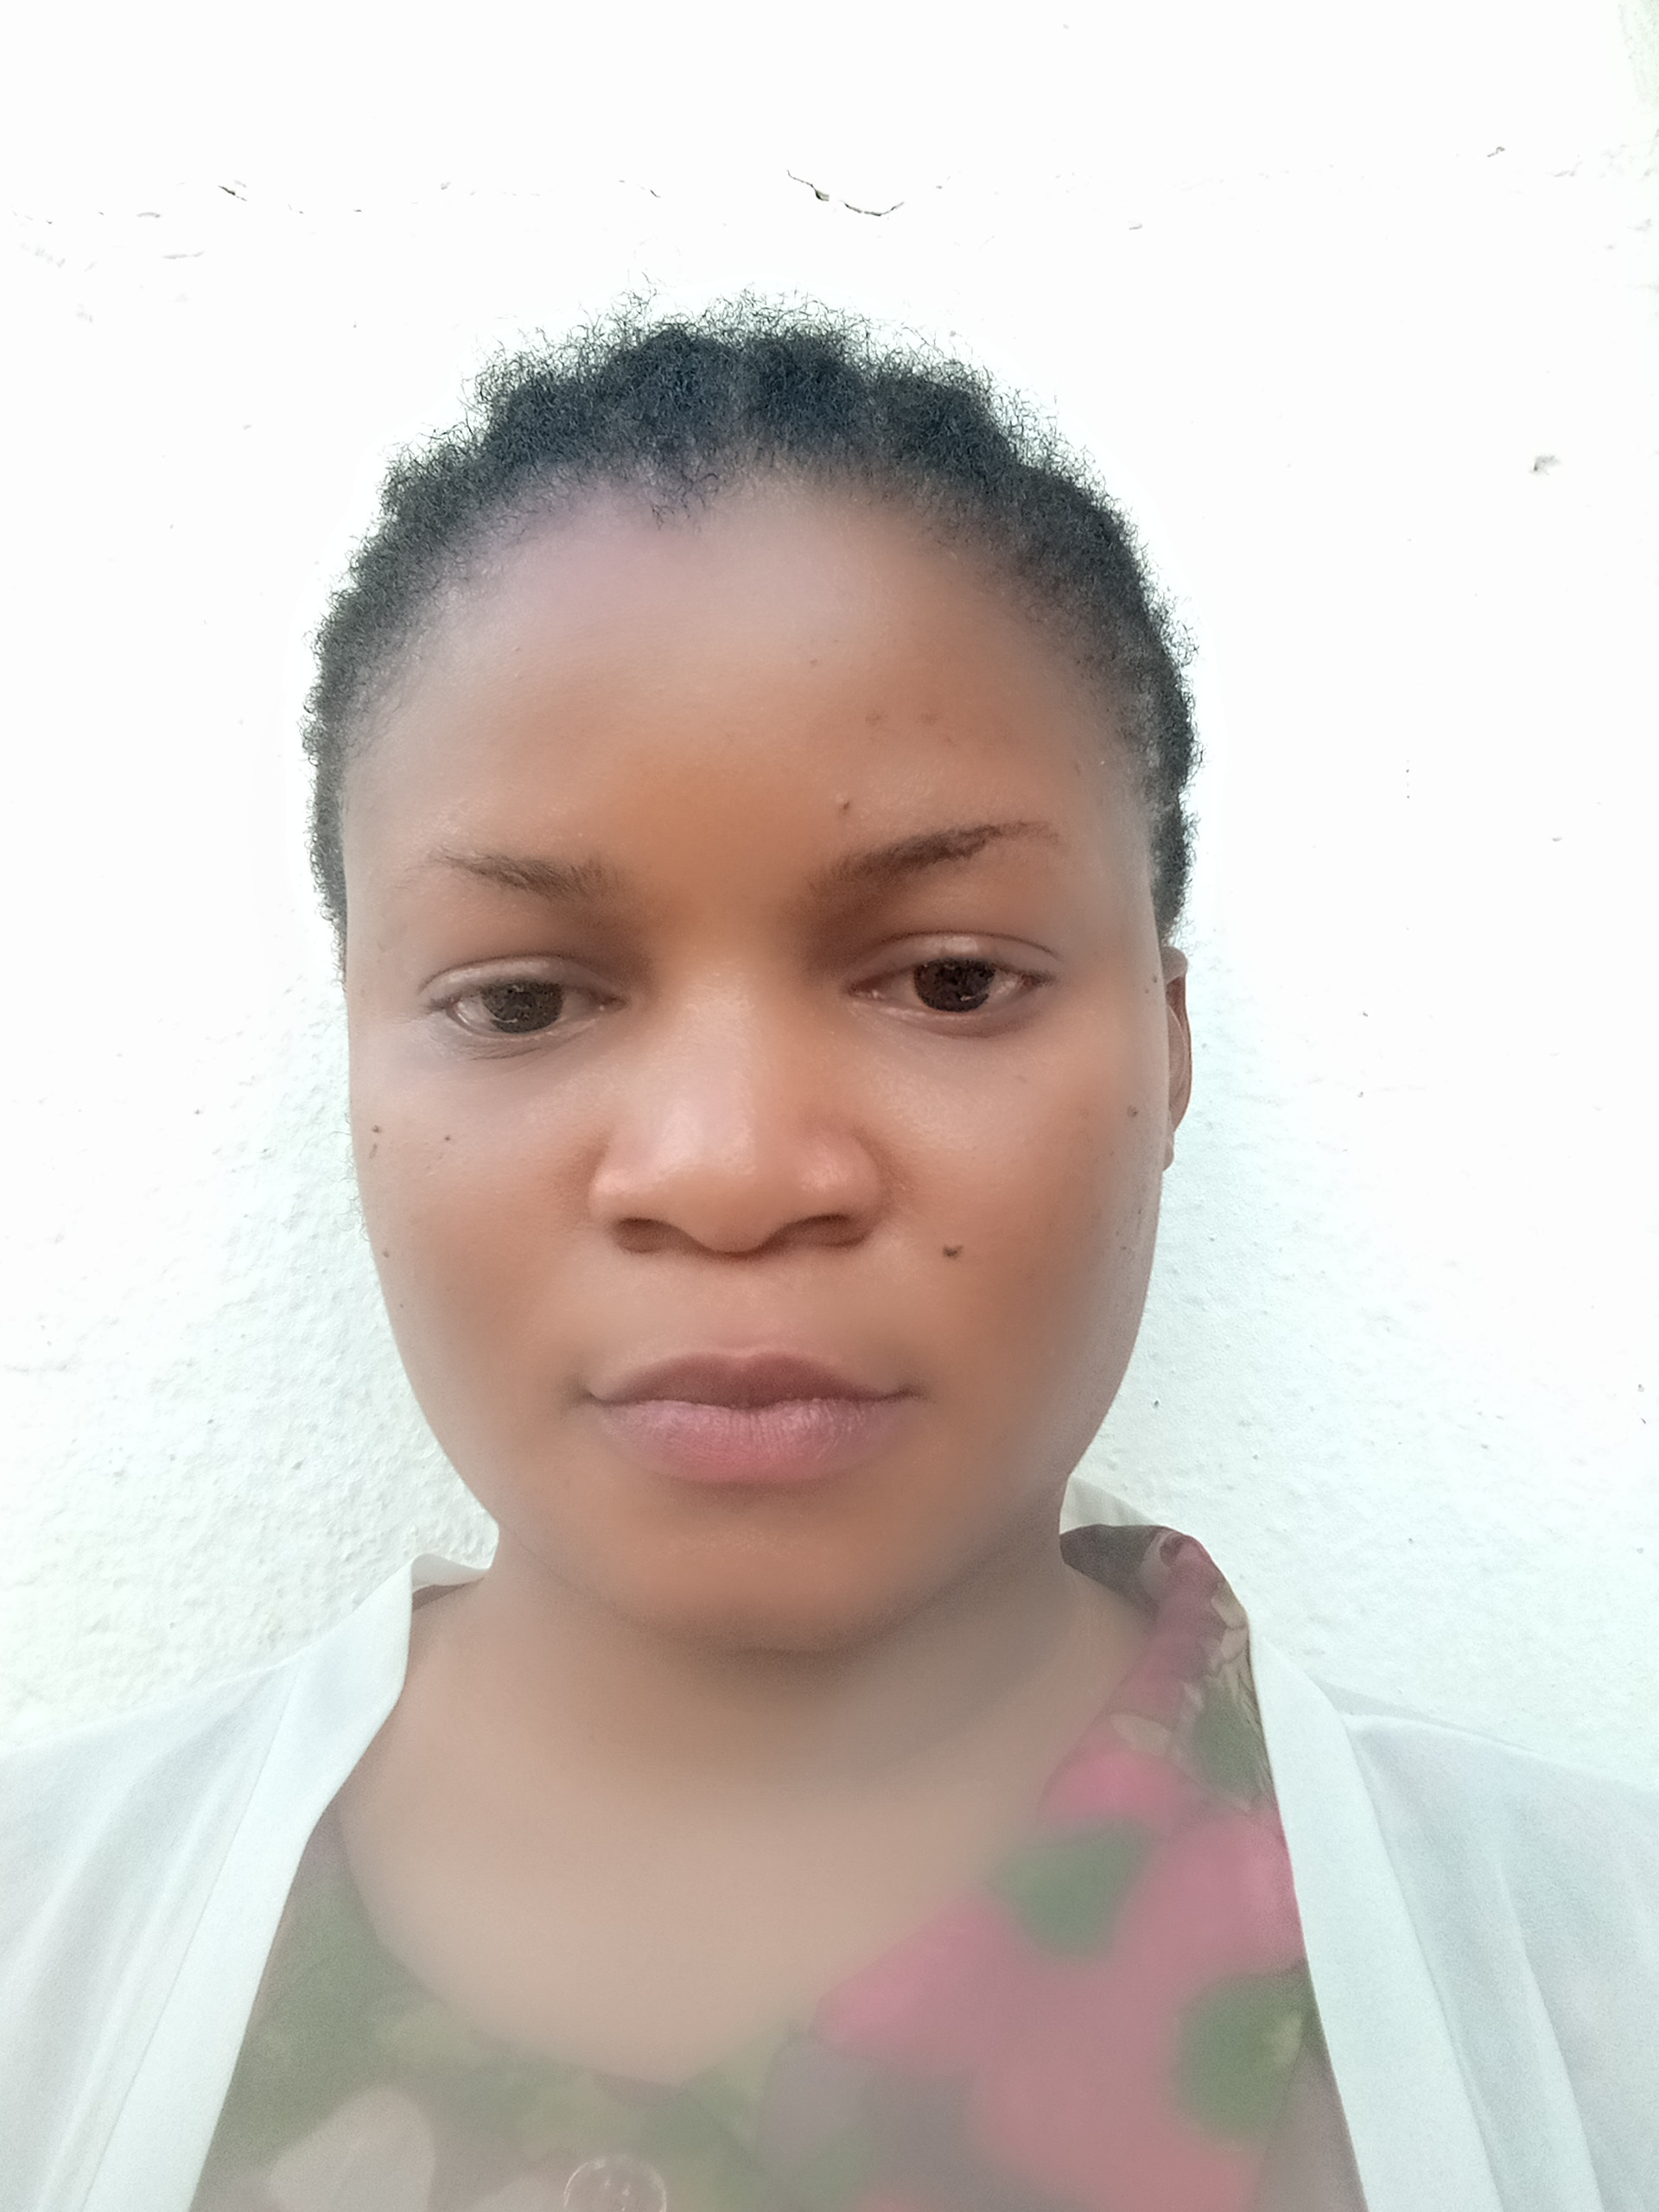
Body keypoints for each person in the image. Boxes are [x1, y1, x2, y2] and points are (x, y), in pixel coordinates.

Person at [3, 305, 1655, 2212]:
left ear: (1168, 1046)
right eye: (523, 999)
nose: (729, 1171)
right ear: (362, 1063)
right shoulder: (40, 1947)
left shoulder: (1602, 1987)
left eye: (949, 977)